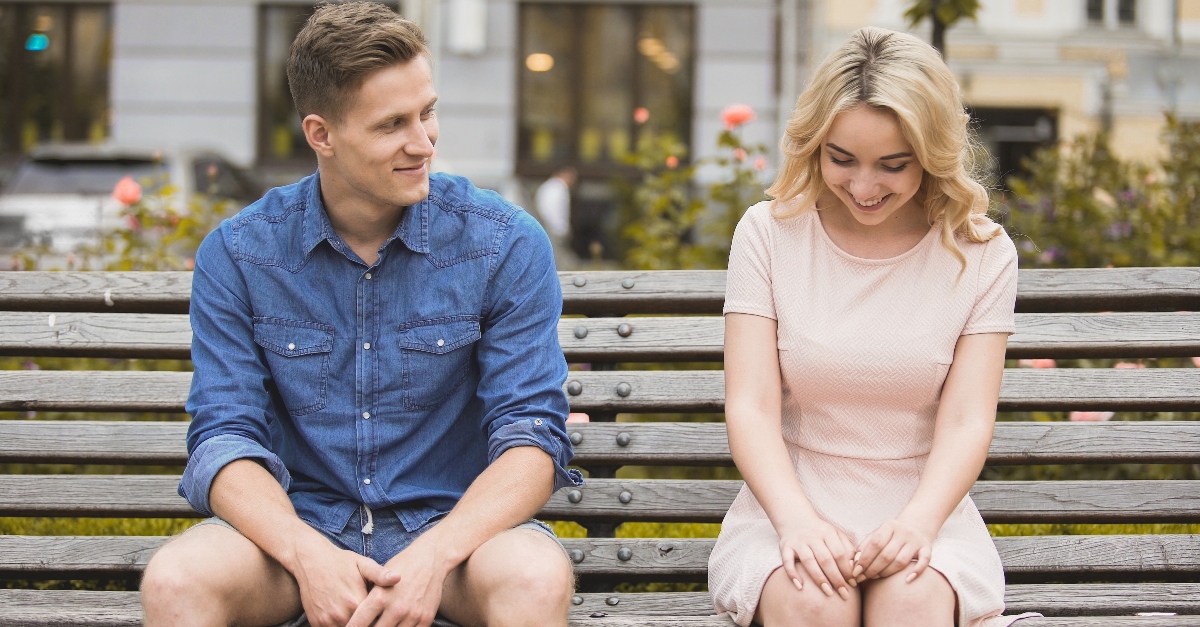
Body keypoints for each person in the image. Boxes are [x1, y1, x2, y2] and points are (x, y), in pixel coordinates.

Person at [139, 5, 580, 627]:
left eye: (427, 112)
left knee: (533, 579)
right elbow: (223, 437)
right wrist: (306, 553)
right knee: (178, 581)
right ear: (321, 134)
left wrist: (435, 555)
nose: (422, 143)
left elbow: (532, 435)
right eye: (391, 124)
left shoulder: (503, 242)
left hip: (458, 538)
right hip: (300, 535)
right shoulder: (241, 253)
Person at [707, 27, 1036, 627]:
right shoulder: (768, 233)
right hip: (787, 507)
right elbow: (749, 407)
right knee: (813, 604)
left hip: (925, 512)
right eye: (842, 159)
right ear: (815, 145)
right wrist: (797, 522)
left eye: (892, 165)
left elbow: (967, 420)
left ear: (932, 153)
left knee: (912, 607)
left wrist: (918, 524)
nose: (863, 187)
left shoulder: (982, 252)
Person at [534, 167, 579, 269]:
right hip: (554, 230)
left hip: (551, 228)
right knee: (560, 261)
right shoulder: (557, 188)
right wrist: (560, 229)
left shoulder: (550, 186)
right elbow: (552, 210)